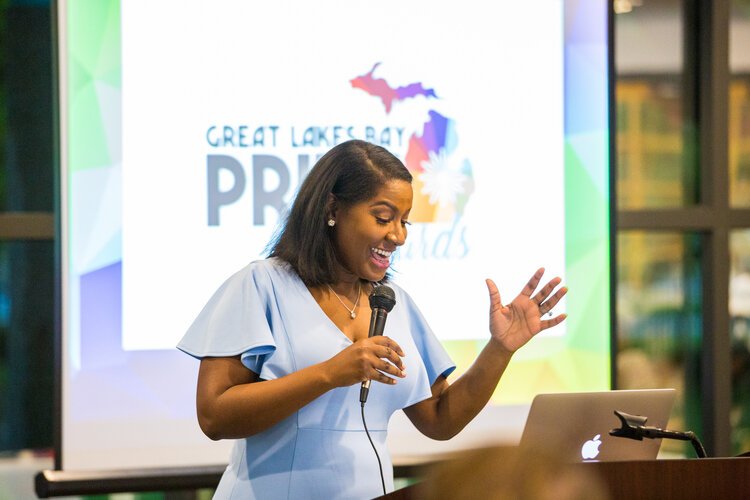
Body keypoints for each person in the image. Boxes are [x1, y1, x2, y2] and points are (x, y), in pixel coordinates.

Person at [177, 139, 567, 499]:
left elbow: (440, 419)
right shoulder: (262, 285)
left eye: (405, 221)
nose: (398, 236)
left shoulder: (392, 303)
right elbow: (214, 415)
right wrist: (331, 372)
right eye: (383, 218)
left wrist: (500, 349)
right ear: (332, 210)